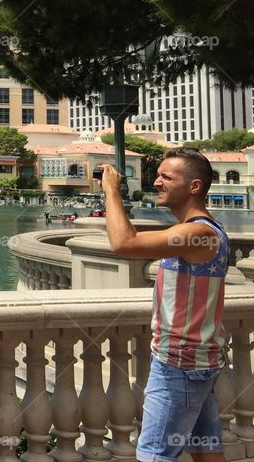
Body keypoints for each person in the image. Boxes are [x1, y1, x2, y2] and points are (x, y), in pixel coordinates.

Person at [99, 147, 228, 462]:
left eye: (166, 177)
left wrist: (111, 192)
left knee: (154, 455)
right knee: (206, 451)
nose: (156, 182)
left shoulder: (199, 234)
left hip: (179, 366)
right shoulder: (201, 232)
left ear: (194, 187)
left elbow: (123, 243)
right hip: (196, 363)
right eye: (157, 175)